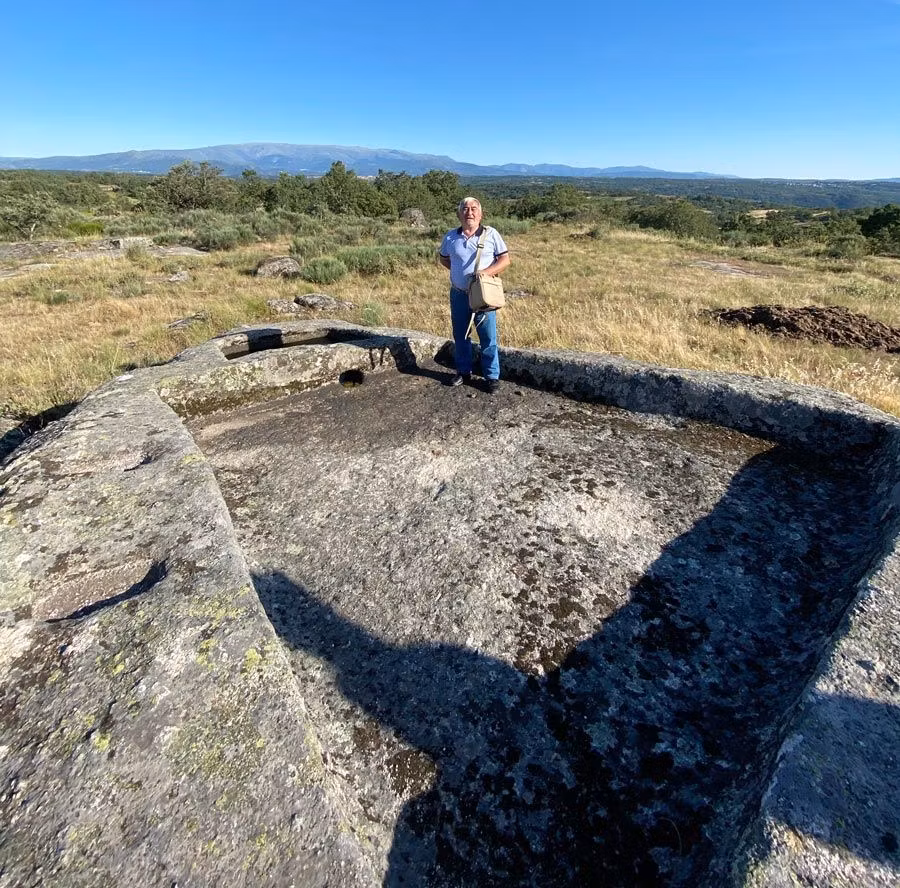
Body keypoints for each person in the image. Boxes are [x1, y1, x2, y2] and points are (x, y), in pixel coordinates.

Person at [439, 197, 510, 392]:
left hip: (483, 294)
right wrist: (459, 275)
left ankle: (491, 377)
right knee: (461, 335)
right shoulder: (451, 237)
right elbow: (445, 260)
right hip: (459, 294)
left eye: (473, 209)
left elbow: (504, 260)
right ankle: (463, 372)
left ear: (480, 214)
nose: (469, 212)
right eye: (465, 209)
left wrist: (485, 273)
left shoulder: (491, 234)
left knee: (488, 337)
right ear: (459, 214)